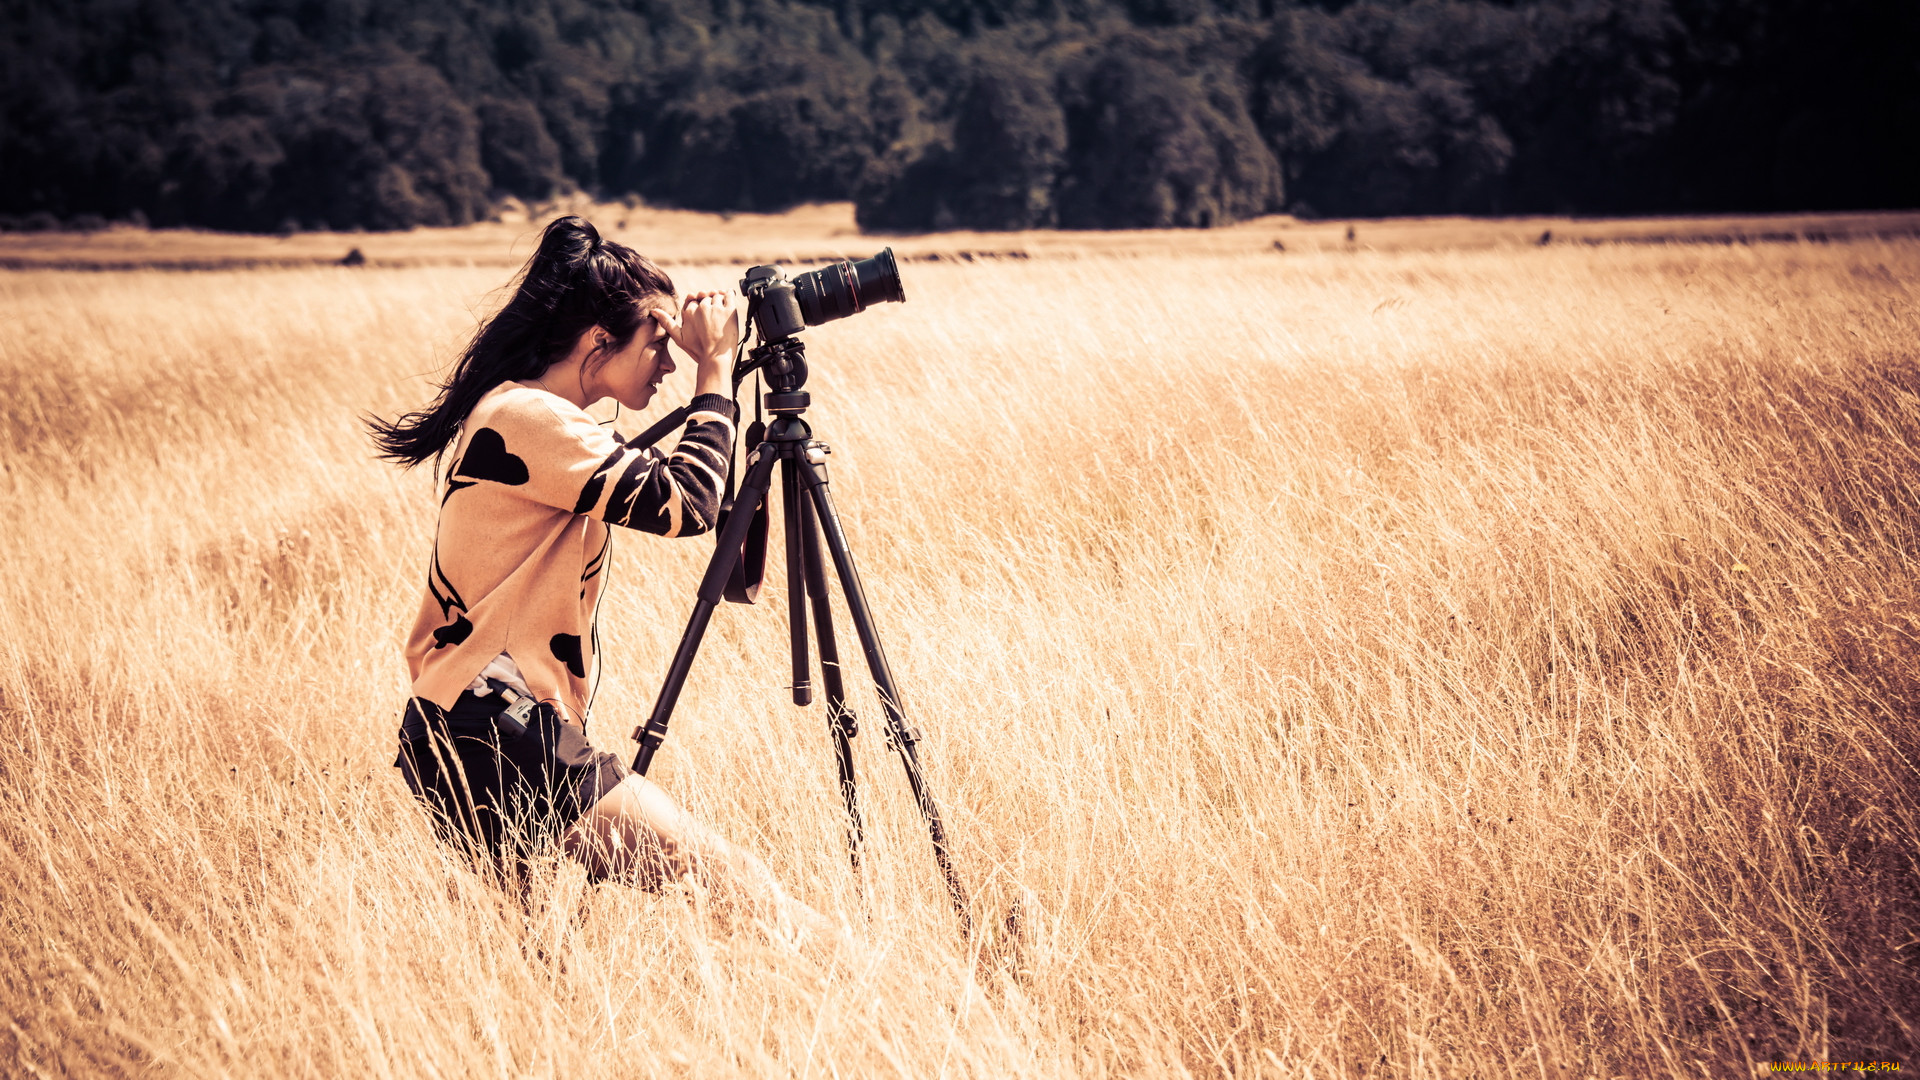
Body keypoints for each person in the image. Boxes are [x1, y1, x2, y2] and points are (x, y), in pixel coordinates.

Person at [369, 216, 836, 945]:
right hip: (496, 722)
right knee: (736, 887)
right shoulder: (528, 417)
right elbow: (686, 506)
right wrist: (716, 371)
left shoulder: (528, 416)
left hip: (463, 723)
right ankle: (909, 991)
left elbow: (671, 487)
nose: (669, 362)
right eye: (657, 342)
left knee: (531, 960)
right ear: (596, 342)